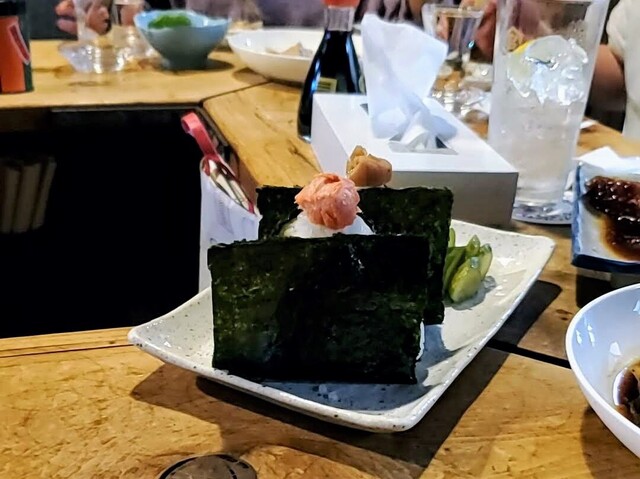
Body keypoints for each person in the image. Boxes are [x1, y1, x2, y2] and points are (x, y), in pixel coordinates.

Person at [54, 0, 427, 36]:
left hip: (327, 95)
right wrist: (109, 18)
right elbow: (151, 13)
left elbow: (403, 15)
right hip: (198, 100)